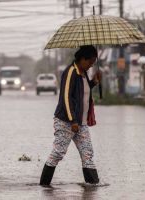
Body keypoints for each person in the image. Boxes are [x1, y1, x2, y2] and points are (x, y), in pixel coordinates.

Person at [40, 45, 101, 186]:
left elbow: (81, 92)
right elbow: (66, 98)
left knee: (87, 154)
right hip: (66, 121)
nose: (91, 65)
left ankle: (93, 186)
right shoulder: (71, 72)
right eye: (90, 62)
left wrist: (94, 82)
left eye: (93, 63)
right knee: (58, 153)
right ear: (82, 59)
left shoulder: (83, 73)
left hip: (81, 123)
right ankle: (44, 186)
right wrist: (73, 120)